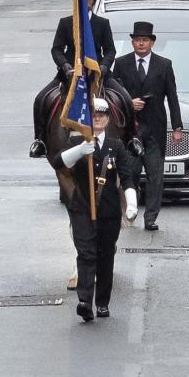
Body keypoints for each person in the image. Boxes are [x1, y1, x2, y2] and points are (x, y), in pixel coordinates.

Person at [58, 97, 139, 322]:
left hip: (109, 211)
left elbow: (126, 177)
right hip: (82, 207)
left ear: (107, 118)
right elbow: (59, 162)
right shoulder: (77, 143)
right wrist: (80, 151)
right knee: (86, 253)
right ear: (87, 118)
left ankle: (102, 302)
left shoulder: (116, 146)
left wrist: (131, 204)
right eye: (94, 115)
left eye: (101, 115)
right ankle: (85, 301)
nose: (98, 118)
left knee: (105, 256)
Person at [28, 0, 126, 158]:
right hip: (70, 74)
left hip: (98, 75)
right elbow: (57, 49)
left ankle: (131, 138)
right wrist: (65, 66)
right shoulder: (66, 23)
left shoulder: (102, 23)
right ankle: (39, 140)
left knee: (124, 98)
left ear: (93, 1)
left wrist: (103, 66)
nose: (85, 2)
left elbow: (110, 49)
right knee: (41, 99)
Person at [112, 22, 182, 231]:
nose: (141, 43)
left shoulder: (164, 65)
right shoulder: (121, 63)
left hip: (155, 129)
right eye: (137, 40)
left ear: (152, 42)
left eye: (145, 40)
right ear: (132, 42)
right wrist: (129, 102)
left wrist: (177, 127)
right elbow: (114, 94)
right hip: (130, 130)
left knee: (155, 175)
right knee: (130, 173)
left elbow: (172, 97)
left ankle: (151, 217)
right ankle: (131, 208)